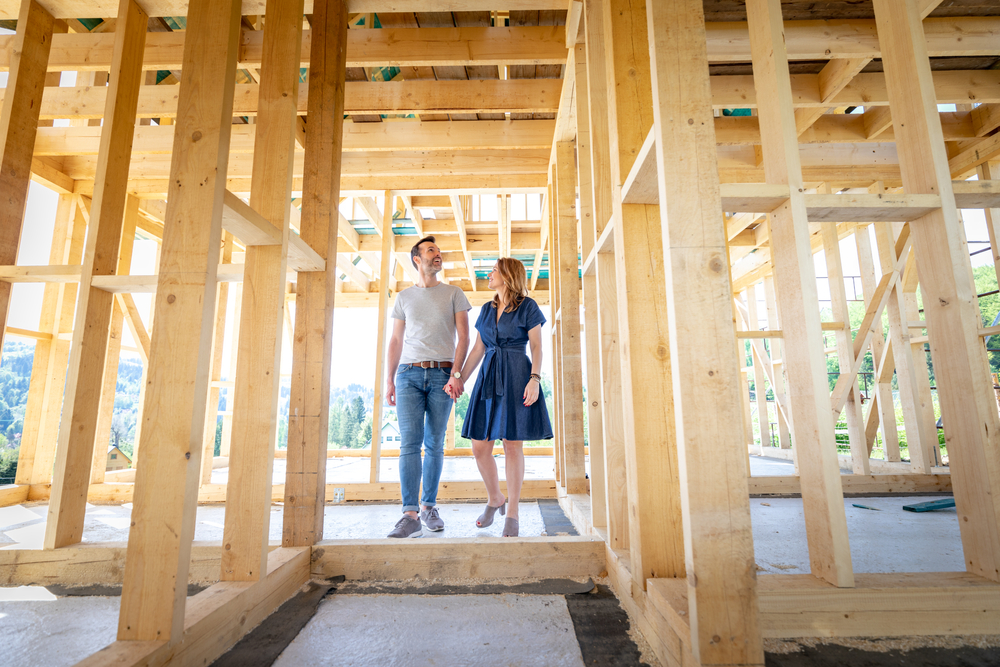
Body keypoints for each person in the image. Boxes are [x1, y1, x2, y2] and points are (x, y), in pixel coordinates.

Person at [455, 257, 553, 537]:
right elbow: (477, 350)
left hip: (517, 376)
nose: (489, 274)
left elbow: (536, 346)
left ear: (508, 276)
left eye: (494, 270)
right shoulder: (486, 309)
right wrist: (459, 377)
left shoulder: (528, 307)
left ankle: (512, 511)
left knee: (512, 445)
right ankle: (495, 497)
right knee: (479, 446)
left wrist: (534, 379)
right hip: (488, 378)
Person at [385, 236, 471, 538]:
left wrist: (456, 374)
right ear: (417, 260)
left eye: (438, 250)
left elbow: (464, 337)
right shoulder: (404, 297)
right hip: (407, 375)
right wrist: (389, 379)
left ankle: (429, 507)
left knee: (434, 443)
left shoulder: (454, 294)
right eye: (431, 251)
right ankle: (410, 515)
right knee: (410, 443)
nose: (438, 254)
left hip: (442, 375)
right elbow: (396, 340)